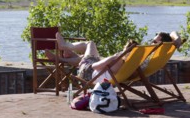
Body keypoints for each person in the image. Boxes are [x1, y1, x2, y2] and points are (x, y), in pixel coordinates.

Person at [45, 31, 181, 83]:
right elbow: (175, 35)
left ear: (163, 43)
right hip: (121, 69)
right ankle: (63, 57)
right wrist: (173, 39)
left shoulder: (148, 53)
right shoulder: (157, 53)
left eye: (154, 41)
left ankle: (65, 47)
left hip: (114, 69)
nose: (152, 42)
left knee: (90, 43)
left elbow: (175, 36)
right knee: (85, 57)